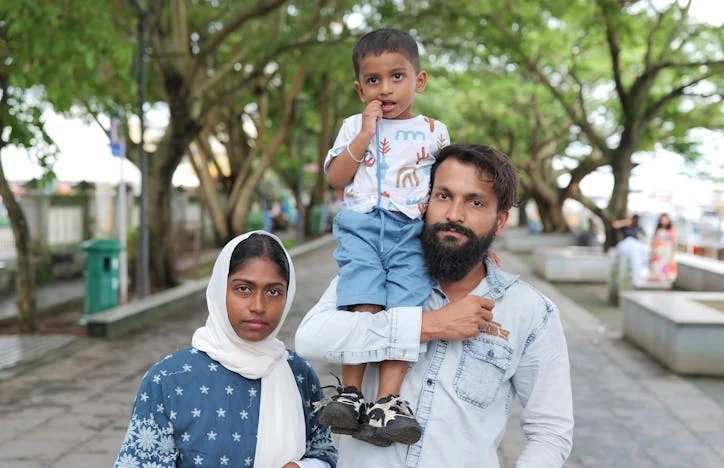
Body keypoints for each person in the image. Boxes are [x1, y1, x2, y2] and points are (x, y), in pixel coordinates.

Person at [297, 144, 573, 466]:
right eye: (444, 196)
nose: (454, 215)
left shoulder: (529, 312)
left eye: (475, 202)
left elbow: (551, 432)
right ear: (424, 202)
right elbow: (310, 339)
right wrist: (429, 325)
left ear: (500, 221)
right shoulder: (374, 277)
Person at [318, 27, 450, 446]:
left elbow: (445, 185)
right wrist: (363, 135)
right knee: (364, 303)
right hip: (361, 226)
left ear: (419, 80)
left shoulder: (434, 131)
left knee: (404, 310)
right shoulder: (354, 125)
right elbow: (335, 178)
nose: (386, 88)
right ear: (360, 88)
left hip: (411, 231)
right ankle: (352, 394)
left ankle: (388, 401)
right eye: (374, 80)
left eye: (398, 76)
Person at [114, 231, 337, 468]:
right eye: (243, 289)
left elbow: (324, 452)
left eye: (273, 292)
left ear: (287, 295)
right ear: (220, 289)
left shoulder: (299, 374)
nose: (258, 306)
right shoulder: (169, 380)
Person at [649, 213, 677, 282]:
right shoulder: (657, 230)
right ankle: (656, 277)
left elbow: (673, 242)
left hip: (667, 251)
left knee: (665, 266)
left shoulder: (671, 230)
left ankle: (663, 278)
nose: (664, 221)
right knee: (656, 265)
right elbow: (653, 240)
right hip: (657, 251)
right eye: (662, 219)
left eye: (665, 219)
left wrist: (672, 253)